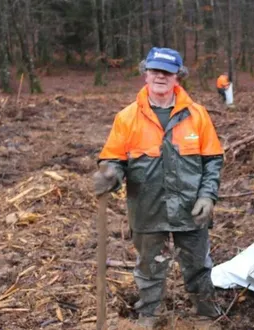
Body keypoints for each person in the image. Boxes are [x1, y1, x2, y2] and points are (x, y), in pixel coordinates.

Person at [93, 47, 224, 328]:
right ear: (145, 75)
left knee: (198, 264)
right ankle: (148, 314)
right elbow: (113, 158)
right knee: (149, 265)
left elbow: (213, 160)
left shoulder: (197, 115)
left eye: (167, 72)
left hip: (192, 208)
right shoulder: (127, 117)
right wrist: (110, 174)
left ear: (178, 77)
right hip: (146, 207)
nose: (160, 77)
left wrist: (207, 195)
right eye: (155, 71)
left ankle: (205, 313)